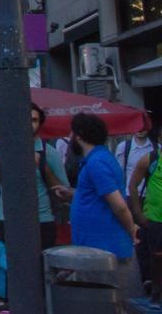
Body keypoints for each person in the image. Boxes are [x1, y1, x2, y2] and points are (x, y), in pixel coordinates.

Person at [0, 103, 72, 250]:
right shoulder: (0, 146)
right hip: (8, 219)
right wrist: (2, 161)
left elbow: (63, 193)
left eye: (34, 120)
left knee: (40, 269)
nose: (29, 124)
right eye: (25, 119)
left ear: (40, 124)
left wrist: (42, 165)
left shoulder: (49, 152)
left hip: (41, 221)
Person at [69, 113, 138, 274]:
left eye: (71, 132)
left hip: (103, 251)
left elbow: (119, 206)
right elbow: (97, 195)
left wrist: (131, 230)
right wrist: (74, 194)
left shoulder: (96, 162)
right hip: (96, 250)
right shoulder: (96, 159)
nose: (69, 137)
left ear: (79, 135)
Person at [128, 134, 162, 310]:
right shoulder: (150, 159)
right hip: (155, 219)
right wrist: (138, 213)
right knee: (157, 259)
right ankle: (156, 294)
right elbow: (133, 185)